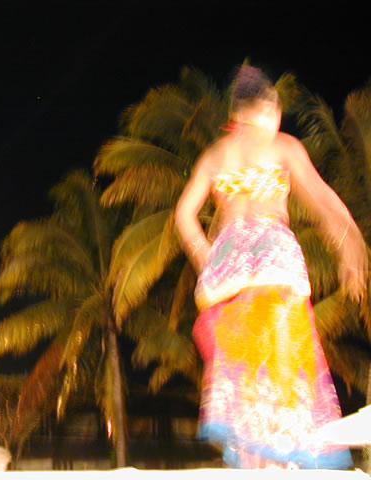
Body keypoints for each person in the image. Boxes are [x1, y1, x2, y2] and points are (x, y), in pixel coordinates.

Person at [174, 65, 367, 469]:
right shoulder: (282, 145)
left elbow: (184, 216)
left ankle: (253, 466)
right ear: (269, 109)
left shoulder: (214, 155)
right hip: (272, 260)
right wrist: (350, 242)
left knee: (241, 372)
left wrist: (206, 256)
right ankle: (278, 463)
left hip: (226, 270)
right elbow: (321, 199)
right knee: (279, 368)